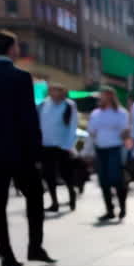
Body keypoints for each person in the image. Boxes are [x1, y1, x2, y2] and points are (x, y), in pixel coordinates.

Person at [0, 31, 55, 266]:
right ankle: (35, 247)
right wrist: (36, 152)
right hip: (20, 152)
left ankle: (5, 255)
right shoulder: (21, 78)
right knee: (35, 197)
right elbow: (29, 118)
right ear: (13, 49)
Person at [88, 87, 130, 222]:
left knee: (116, 179)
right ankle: (109, 210)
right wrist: (83, 150)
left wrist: (128, 150)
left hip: (115, 148)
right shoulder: (96, 113)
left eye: (104, 95)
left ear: (111, 96)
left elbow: (125, 132)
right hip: (100, 149)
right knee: (103, 181)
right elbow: (91, 133)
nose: (102, 98)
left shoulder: (121, 113)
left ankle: (122, 207)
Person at [38, 82, 78, 212]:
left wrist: (69, 145)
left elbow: (73, 126)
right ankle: (54, 202)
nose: (54, 93)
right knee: (48, 175)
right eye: (52, 91)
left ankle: (71, 194)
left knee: (66, 173)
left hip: (62, 145)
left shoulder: (69, 105)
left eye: (57, 91)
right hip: (46, 145)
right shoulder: (43, 104)